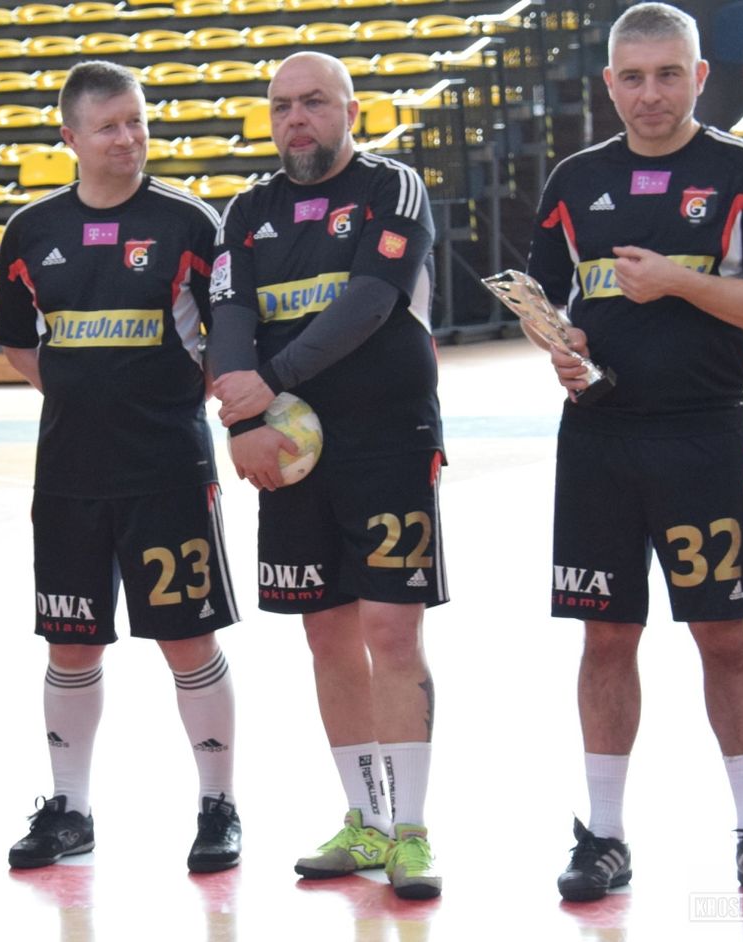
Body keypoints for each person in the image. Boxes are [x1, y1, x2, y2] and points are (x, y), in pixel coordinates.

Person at [523, 2, 743, 902]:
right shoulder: (574, 180)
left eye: (669, 74)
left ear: (700, 76)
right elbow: (546, 303)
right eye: (635, 77)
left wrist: (681, 281)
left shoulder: (741, 169)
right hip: (597, 439)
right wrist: (560, 346)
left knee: (721, 633)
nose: (651, 94)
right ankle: (604, 836)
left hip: (704, 435)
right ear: (609, 84)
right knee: (606, 636)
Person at [0, 60, 243, 874]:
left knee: (187, 638)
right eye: (109, 126)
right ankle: (70, 810)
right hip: (68, 473)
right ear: (70, 137)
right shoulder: (30, 230)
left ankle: (218, 806)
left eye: (137, 121)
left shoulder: (189, 223)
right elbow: (18, 344)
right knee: (71, 645)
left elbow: (226, 341)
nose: (128, 138)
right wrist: (82, 391)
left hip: (168, 467)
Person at [205, 51, 446, 899]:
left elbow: (370, 301)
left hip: (388, 439)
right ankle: (366, 820)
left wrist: (270, 382)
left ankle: (411, 831)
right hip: (292, 449)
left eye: (314, 102)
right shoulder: (248, 211)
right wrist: (243, 421)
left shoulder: (392, 188)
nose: (296, 119)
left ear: (352, 111)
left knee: (391, 631)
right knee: (327, 632)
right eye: (282, 107)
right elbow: (229, 313)